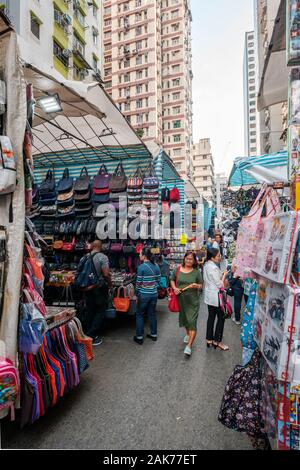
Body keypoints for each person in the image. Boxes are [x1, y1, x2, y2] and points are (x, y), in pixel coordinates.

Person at [170, 251, 203, 356]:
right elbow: (171, 279)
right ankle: (188, 333)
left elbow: (201, 285)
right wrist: (174, 288)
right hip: (181, 300)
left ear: (194, 261)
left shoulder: (196, 272)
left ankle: (189, 346)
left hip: (193, 301)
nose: (189, 261)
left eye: (191, 259)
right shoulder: (178, 270)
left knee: (192, 322)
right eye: (187, 258)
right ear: (184, 259)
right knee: (185, 319)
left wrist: (196, 286)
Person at [84, 240, 112, 347]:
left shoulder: (86, 256)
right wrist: (110, 284)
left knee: (90, 309)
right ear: (100, 247)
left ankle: (86, 332)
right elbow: (106, 274)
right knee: (100, 310)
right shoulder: (102, 257)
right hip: (98, 288)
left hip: (87, 287)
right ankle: (92, 335)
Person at [203, 248, 229, 351]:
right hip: (216, 297)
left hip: (210, 296)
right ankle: (217, 341)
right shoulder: (213, 268)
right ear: (212, 257)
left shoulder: (206, 265)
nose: (220, 257)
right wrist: (224, 275)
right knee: (221, 318)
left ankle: (209, 339)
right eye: (218, 256)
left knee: (211, 317)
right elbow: (220, 284)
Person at [134, 248, 161, 345]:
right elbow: (158, 280)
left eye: (140, 254)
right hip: (153, 294)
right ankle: (154, 334)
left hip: (143, 295)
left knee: (139, 314)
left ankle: (139, 337)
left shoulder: (141, 267)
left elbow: (138, 284)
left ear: (144, 255)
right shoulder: (156, 266)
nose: (139, 255)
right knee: (152, 314)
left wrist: (137, 295)